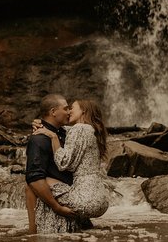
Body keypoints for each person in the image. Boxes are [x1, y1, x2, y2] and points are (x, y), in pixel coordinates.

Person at [32, 98, 110, 233]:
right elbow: (63, 129)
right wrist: (41, 123)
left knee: (36, 182)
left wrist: (53, 137)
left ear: (83, 111)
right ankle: (82, 225)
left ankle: (35, 233)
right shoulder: (90, 130)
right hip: (101, 199)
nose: (69, 111)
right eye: (67, 109)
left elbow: (64, 163)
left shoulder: (79, 129)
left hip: (86, 199)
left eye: (72, 108)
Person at [25, 94, 77, 234]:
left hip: (69, 199)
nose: (69, 112)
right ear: (53, 112)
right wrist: (57, 207)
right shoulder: (39, 139)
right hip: (56, 207)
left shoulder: (65, 133)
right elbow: (34, 180)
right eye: (66, 108)